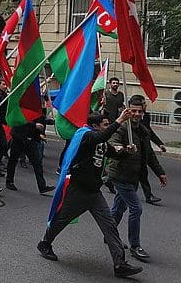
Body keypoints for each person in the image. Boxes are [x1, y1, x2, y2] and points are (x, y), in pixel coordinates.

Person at [37, 111, 144, 279]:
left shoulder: (100, 141)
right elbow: (99, 138)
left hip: (94, 191)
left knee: (109, 226)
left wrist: (126, 151)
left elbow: (112, 152)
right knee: (61, 219)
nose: (108, 127)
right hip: (78, 189)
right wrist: (120, 119)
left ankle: (120, 264)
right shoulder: (86, 136)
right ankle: (44, 243)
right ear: (95, 126)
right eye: (105, 125)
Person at [107, 96, 169, 262]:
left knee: (119, 208)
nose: (136, 114)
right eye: (133, 111)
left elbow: (149, 155)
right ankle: (135, 245)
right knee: (136, 208)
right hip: (120, 175)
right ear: (127, 109)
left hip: (134, 176)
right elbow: (112, 141)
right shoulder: (122, 127)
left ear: (143, 111)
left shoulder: (142, 130)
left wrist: (160, 172)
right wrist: (121, 148)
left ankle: (109, 234)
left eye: (139, 111)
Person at [6, 114, 56, 194]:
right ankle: (9, 181)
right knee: (13, 160)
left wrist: (46, 122)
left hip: (30, 139)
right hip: (19, 138)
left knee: (37, 163)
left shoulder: (35, 107)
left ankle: (42, 186)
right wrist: (34, 125)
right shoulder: (19, 107)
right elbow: (18, 120)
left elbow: (39, 119)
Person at [134, 95, 166, 205]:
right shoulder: (127, 120)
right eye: (144, 103)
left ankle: (148, 195)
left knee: (143, 173)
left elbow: (149, 132)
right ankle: (108, 179)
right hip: (134, 151)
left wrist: (159, 143)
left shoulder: (146, 116)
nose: (145, 105)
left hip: (145, 148)